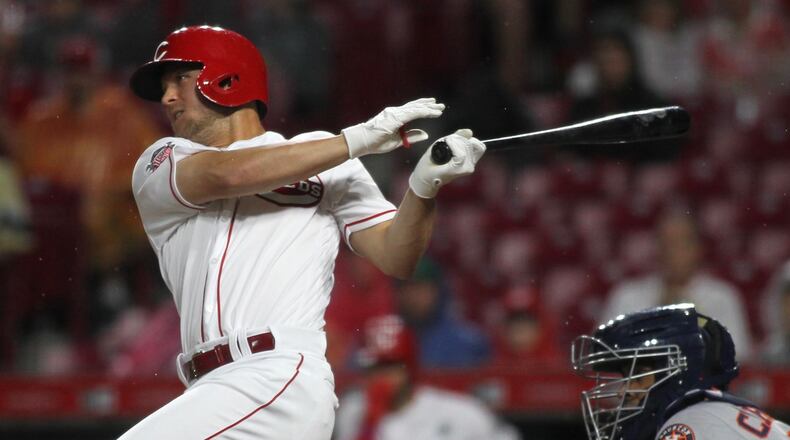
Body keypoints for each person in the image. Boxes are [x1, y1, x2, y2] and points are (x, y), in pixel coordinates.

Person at [121, 25, 486, 439]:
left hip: (277, 376)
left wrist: (424, 188)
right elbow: (229, 173)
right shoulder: (163, 159)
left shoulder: (325, 155)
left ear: (225, 78)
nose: (167, 97)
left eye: (180, 79)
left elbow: (396, 255)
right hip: (209, 387)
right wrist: (355, 140)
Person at [572, 303, 790, 440]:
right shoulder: (712, 412)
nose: (623, 392)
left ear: (677, 373)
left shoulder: (684, 425)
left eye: (638, 376)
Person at [333, 314, 519, 440]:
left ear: (409, 369)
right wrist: (370, 422)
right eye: (373, 368)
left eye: (389, 367)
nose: (380, 378)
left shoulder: (462, 413)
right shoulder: (351, 413)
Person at [599, 211, 752, 359]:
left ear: (698, 249)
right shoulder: (627, 296)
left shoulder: (722, 298)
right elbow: (603, 355)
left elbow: (738, 358)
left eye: (680, 243)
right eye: (665, 242)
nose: (670, 251)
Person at [396, 256, 490, 368]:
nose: (412, 297)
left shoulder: (469, 343)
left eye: (420, 288)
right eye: (405, 289)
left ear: (437, 291)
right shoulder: (389, 341)